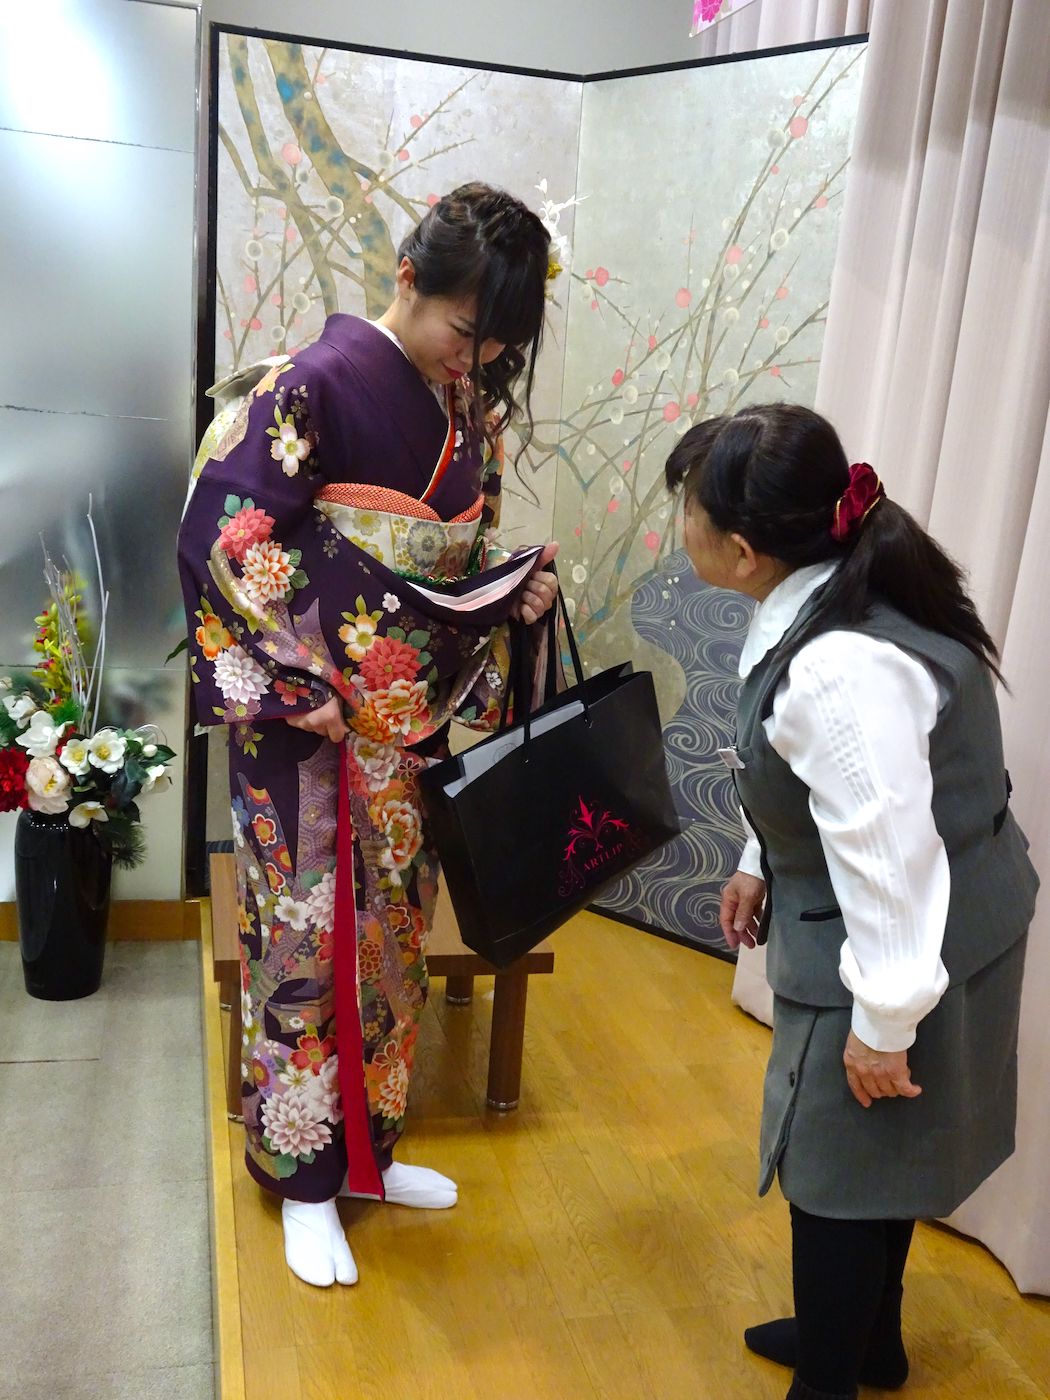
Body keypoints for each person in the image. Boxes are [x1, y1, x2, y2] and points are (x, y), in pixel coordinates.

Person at [178, 183, 559, 1288]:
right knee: (303, 941)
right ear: (407, 278)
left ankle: (369, 1155)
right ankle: (303, 1177)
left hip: (402, 722)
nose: (475, 361)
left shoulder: (467, 413)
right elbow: (226, 538)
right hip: (306, 722)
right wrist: (295, 683)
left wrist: (508, 594)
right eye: (465, 331)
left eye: (497, 347)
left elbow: (448, 564)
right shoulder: (310, 386)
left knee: (393, 938)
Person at [664, 403, 1037, 1400]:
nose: (682, 526)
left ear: (744, 551)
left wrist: (883, 1025)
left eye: (690, 511)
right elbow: (826, 786)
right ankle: (873, 1342)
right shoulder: (843, 580)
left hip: (911, 936)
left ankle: (829, 1380)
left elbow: (890, 862)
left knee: (834, 1171)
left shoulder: (836, 667)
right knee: (883, 1159)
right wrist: (759, 856)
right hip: (959, 911)